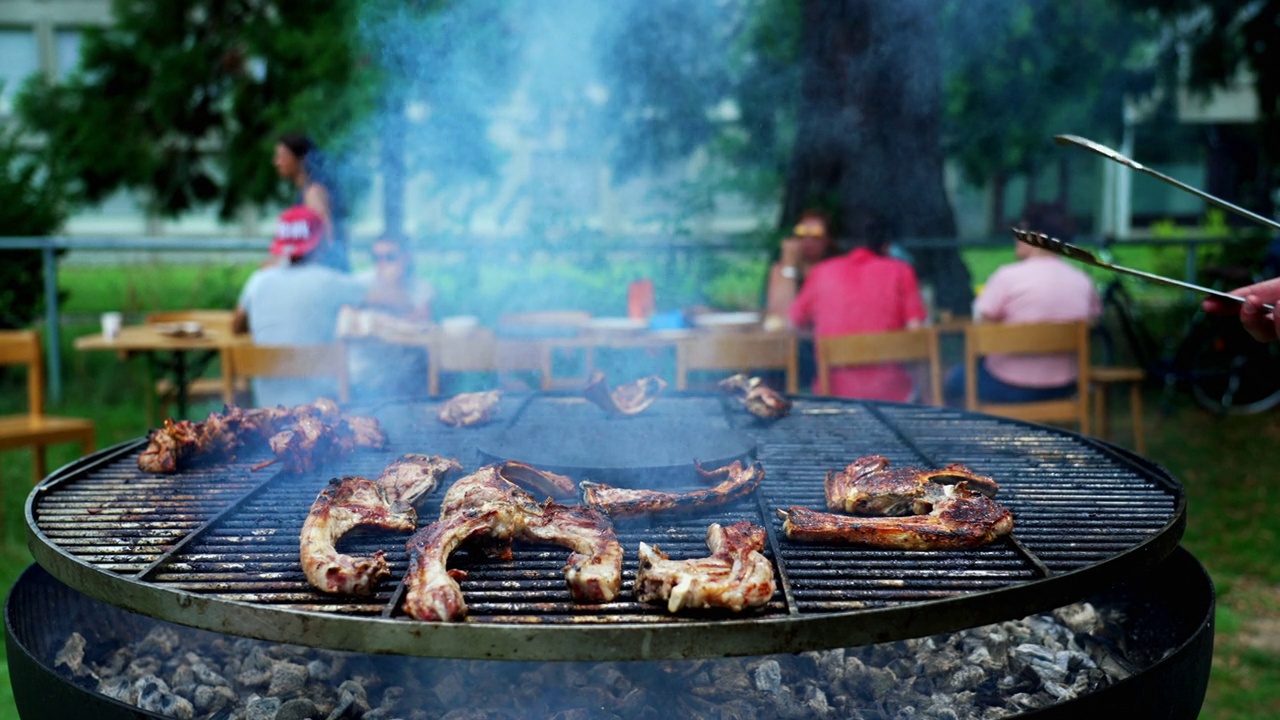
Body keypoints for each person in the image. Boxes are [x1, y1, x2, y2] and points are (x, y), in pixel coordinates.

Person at [944, 203, 1102, 404]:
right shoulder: (1082, 281)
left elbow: (981, 328)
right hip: (1065, 385)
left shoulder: (1007, 277)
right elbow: (1093, 321)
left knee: (953, 380)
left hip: (1008, 385)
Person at [233, 206, 366, 407]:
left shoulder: (258, 280)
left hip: (268, 414)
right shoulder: (329, 281)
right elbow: (382, 295)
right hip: (322, 414)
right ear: (320, 242)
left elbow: (237, 326)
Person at [788, 211, 928, 401]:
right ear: (886, 246)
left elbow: (793, 323)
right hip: (894, 397)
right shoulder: (901, 271)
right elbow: (915, 334)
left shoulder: (821, 272)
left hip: (833, 396)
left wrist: (821, 335)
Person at [344, 235, 435, 399]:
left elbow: (422, 318)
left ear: (405, 258)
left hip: (402, 374)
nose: (382, 263)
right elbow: (347, 317)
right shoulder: (359, 283)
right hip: (363, 373)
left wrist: (393, 289)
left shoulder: (421, 287)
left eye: (390, 257)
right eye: (376, 257)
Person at [273, 133, 349, 271]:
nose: (277, 162)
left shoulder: (313, 193)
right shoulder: (307, 190)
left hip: (322, 273)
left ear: (300, 159)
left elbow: (327, 238)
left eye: (282, 156)